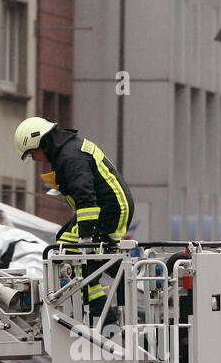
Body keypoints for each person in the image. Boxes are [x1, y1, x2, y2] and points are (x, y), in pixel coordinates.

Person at [14, 117, 134, 318]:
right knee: (71, 250)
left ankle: (104, 319)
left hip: (109, 211)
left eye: (33, 154)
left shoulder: (70, 157)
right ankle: (120, 285)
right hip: (108, 209)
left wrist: (85, 240)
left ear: (40, 142)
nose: (35, 159)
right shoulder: (68, 151)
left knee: (76, 261)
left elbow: (85, 197)